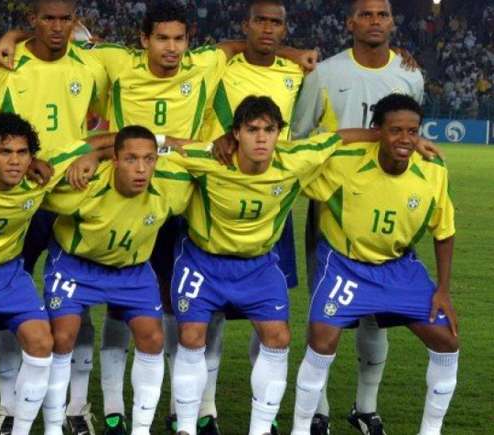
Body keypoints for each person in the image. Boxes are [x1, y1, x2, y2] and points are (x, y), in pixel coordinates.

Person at [0, 2, 317, 431]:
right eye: (161, 38)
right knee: (101, 298)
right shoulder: (116, 62)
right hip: (116, 190)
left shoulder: (202, 63)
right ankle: (103, 406)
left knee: (177, 304)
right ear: (144, 40)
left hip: (178, 193)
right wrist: (9, 37)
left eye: (179, 39)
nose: (171, 48)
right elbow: (52, 33)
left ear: (188, 41)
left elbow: (242, 43)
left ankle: (197, 407)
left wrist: (294, 54)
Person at [164, 95, 437, 435]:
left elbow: (340, 138)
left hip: (258, 265)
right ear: (235, 133)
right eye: (252, 130)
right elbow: (160, 145)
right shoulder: (209, 156)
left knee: (278, 337)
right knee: (191, 336)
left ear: (281, 133)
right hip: (203, 262)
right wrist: (97, 150)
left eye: (269, 129)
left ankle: (261, 429)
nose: (262, 138)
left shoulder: (294, 158)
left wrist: (405, 141)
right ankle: (186, 427)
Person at [291, 1, 425, 432]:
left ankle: (366, 408)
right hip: (333, 210)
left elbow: (409, 130)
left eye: (381, 14)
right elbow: (300, 137)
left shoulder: (410, 74)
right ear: (350, 23)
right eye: (365, 14)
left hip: (390, 209)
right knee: (325, 313)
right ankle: (319, 411)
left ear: (392, 22)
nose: (374, 21)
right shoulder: (325, 74)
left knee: (377, 313)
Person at [290, 94, 458, 435]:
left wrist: (443, 290)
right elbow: (304, 153)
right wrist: (365, 136)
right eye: (395, 130)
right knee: (322, 340)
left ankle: (431, 431)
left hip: (398, 267)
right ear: (376, 131)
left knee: (447, 340)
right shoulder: (343, 162)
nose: (406, 140)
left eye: (413, 131)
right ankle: (302, 428)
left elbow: (445, 231)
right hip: (345, 265)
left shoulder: (432, 170)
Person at [0, 1, 109, 432]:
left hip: (73, 198)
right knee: (5, 297)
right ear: (33, 20)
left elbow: (108, 120)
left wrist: (90, 153)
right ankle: (7, 405)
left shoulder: (91, 66)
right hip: (23, 197)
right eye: (48, 18)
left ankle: (76, 406)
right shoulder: (7, 65)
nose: (57, 27)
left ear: (76, 22)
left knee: (79, 302)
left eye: (65, 19)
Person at [39, 125, 193, 435]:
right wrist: (88, 154)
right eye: (131, 159)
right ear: (114, 159)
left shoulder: (172, 186)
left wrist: (166, 141)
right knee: (62, 336)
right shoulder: (83, 183)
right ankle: (54, 426)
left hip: (131, 270)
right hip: (76, 266)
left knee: (152, 338)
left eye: (149, 159)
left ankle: (141, 428)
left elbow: (214, 152)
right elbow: (39, 166)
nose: (141, 168)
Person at [198, 1, 303, 429]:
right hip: (218, 192)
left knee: (271, 317)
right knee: (212, 313)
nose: (268, 28)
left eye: (276, 22)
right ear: (247, 25)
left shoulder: (297, 74)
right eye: (260, 20)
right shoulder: (220, 63)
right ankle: (205, 408)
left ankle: (265, 411)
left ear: (284, 29)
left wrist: (298, 55)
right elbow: (217, 49)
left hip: (272, 200)